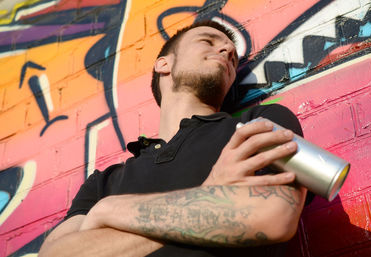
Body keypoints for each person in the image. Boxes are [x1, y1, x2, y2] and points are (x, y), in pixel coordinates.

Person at [38, 20, 308, 257]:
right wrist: (209, 196)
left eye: (234, 57)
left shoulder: (258, 124)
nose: (227, 51)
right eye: (208, 41)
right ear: (163, 64)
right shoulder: (104, 183)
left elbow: (275, 216)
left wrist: (110, 212)